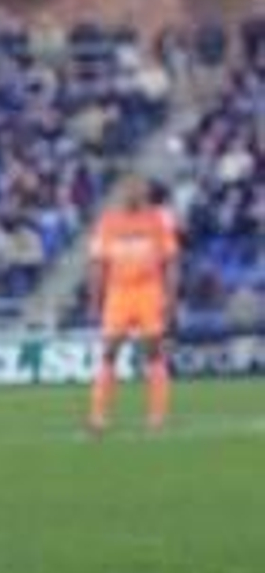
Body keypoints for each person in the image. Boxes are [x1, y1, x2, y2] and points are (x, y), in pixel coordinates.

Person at [87, 172, 181, 434]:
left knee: (154, 351)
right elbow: (98, 263)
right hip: (118, 292)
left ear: (143, 194)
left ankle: (157, 416)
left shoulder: (157, 221)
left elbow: (171, 261)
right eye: (128, 189)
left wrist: (171, 297)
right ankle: (98, 416)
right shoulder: (108, 222)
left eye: (137, 189)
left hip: (149, 290)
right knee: (109, 352)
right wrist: (95, 299)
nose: (132, 194)